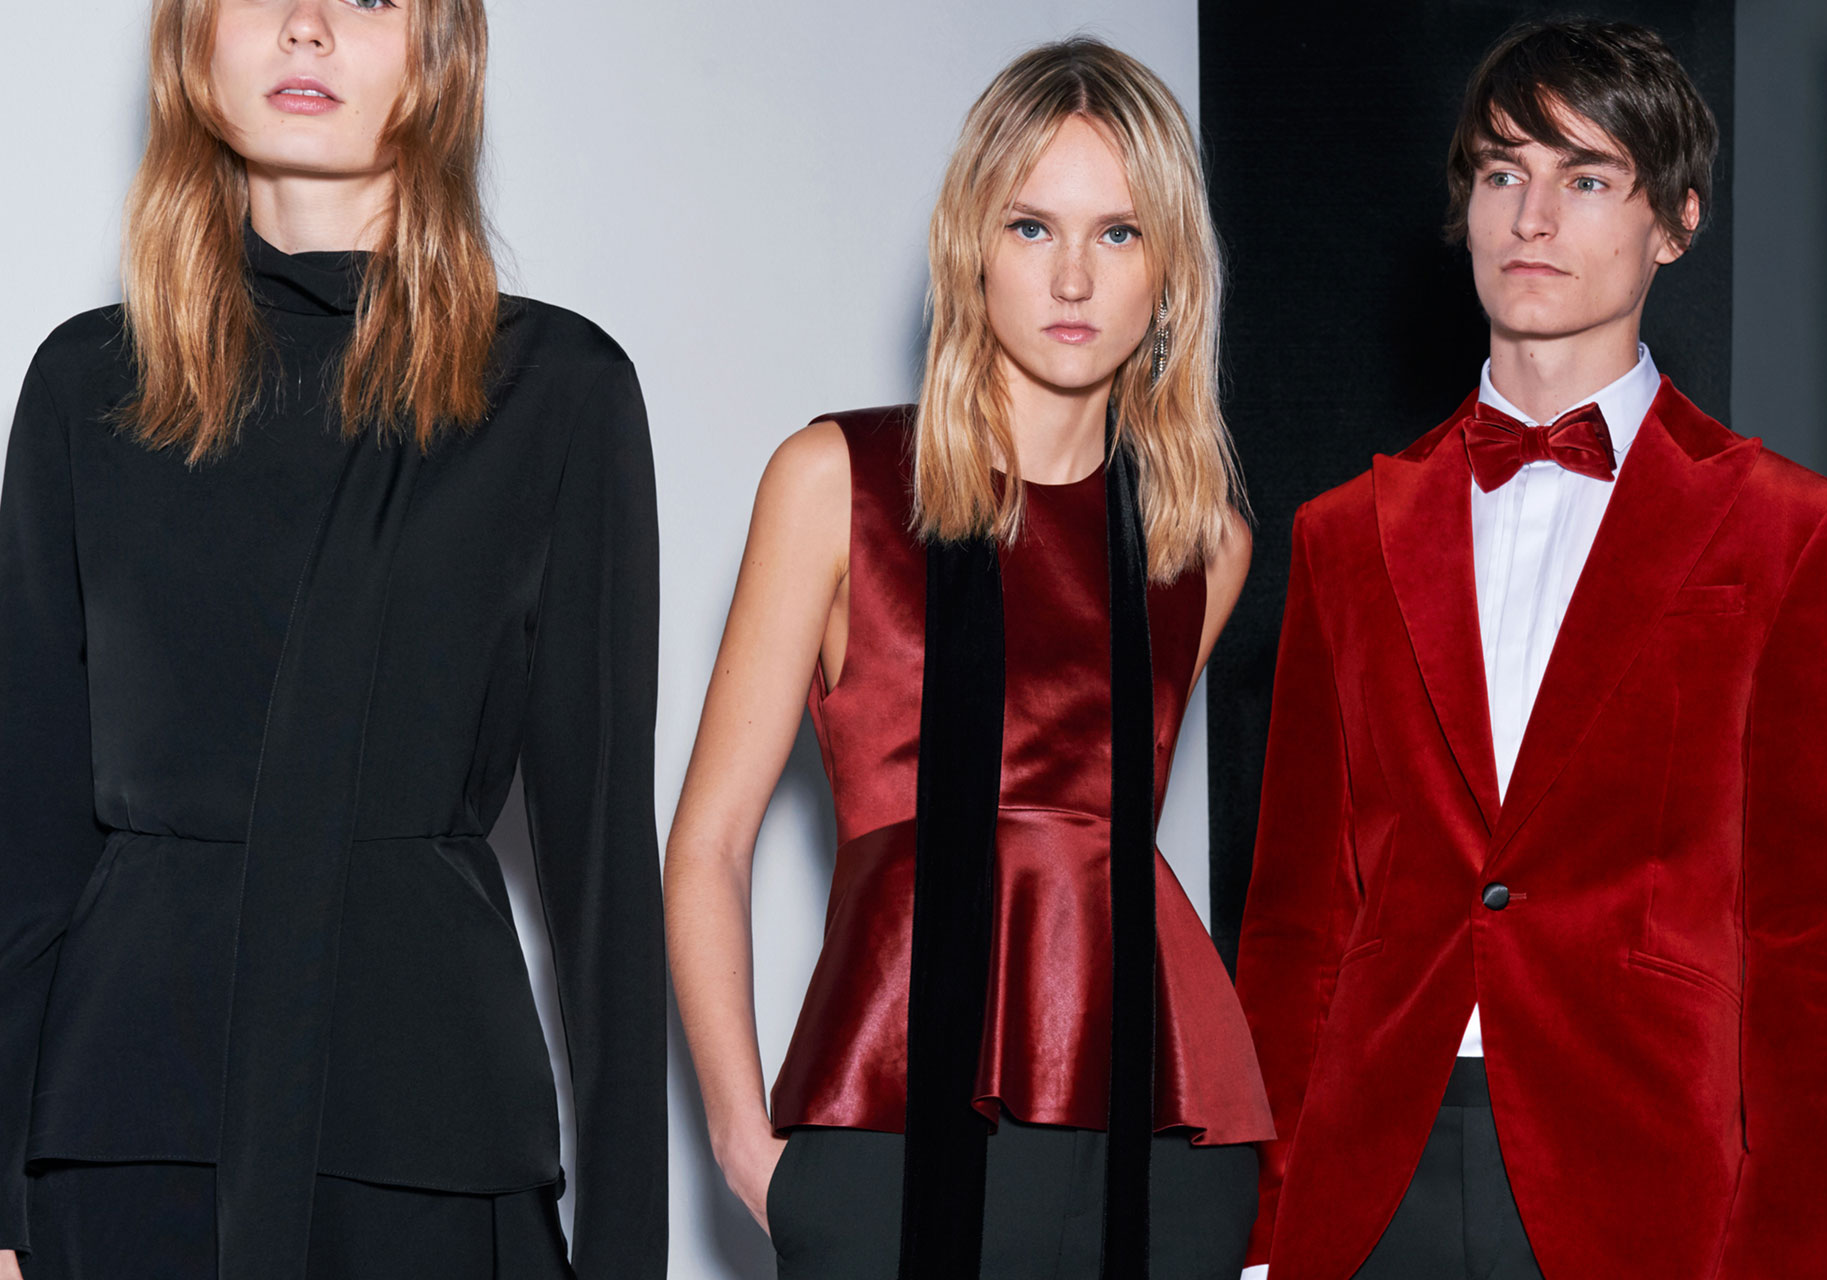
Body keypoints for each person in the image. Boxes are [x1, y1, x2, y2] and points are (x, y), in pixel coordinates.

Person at [0, 1, 664, 1276]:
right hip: (129, 1140)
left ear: (442, 52)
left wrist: (626, 1250)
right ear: (193, 39)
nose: (306, 27)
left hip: (428, 1140)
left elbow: (603, 878)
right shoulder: (87, 384)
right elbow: (26, 836)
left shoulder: (560, 392)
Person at [1233, 18, 1827, 1280]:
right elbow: (1297, 923)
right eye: (1502, 172)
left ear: (1676, 221)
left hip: (1647, 1173)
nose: (1531, 217)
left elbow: (1822, 950)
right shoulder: (1344, 534)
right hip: (1370, 1177)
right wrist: (1263, 1230)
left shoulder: (1795, 532)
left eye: (1586, 178)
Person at [666, 36, 1272, 1280]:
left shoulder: (1205, 541)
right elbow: (709, 842)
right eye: (1031, 226)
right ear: (971, 248)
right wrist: (742, 1143)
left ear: (1170, 270)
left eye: (1118, 233)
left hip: (1161, 1145)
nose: (1072, 277)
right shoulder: (832, 480)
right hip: (887, 1113)